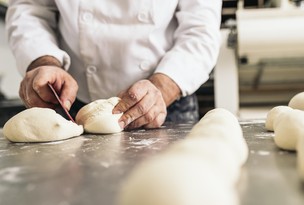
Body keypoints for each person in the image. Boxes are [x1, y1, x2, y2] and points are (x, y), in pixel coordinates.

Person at [5, 0, 222, 129]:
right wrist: (43, 60)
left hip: (164, 106)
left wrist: (163, 88)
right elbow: (30, 9)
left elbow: (201, 30)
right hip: (71, 106)